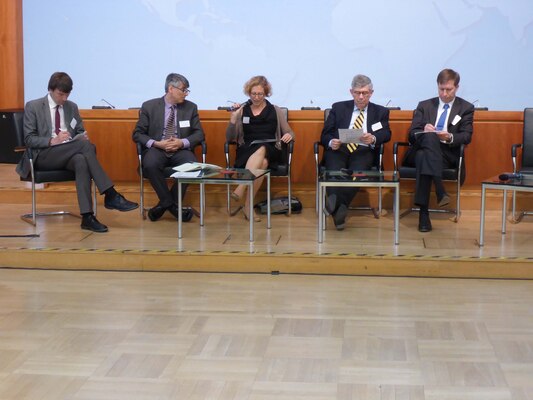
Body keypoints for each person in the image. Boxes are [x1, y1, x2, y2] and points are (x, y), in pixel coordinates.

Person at [16, 72, 138, 233]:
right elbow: (29, 139)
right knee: (86, 148)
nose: (64, 98)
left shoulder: (71, 107)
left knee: (81, 159)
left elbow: (79, 130)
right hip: (44, 154)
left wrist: (80, 136)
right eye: (61, 94)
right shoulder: (34, 106)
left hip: (69, 152)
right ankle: (110, 194)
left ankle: (87, 217)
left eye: (67, 94)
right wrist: (53, 140)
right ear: (51, 90)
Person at [403, 68, 474, 232]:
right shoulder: (425, 105)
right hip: (421, 148)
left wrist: (448, 137)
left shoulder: (465, 108)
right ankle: (439, 189)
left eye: (448, 89)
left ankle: (423, 213)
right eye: (441, 89)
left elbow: (466, 136)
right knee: (428, 137)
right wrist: (426, 130)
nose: (444, 94)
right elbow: (412, 135)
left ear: (457, 87)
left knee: (423, 157)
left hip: (446, 154)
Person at [320, 74, 391, 230]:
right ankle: (339, 207)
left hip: (363, 149)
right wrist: (332, 142)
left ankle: (336, 203)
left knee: (357, 172)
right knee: (334, 170)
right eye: (357, 92)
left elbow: (386, 134)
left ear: (371, 93)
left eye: (364, 93)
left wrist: (373, 138)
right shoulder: (338, 108)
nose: (361, 97)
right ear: (351, 92)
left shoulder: (380, 112)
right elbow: (325, 134)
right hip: (340, 148)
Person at [132, 73, 205, 222]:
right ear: (171, 88)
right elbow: (137, 134)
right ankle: (172, 206)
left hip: (181, 150)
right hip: (157, 148)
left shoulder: (191, 107)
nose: (186, 94)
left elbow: (199, 134)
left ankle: (164, 205)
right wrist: (157, 143)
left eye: (187, 91)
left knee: (193, 166)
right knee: (150, 164)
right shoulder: (149, 106)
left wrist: (181, 142)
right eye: (183, 90)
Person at [226, 75, 295, 222]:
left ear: (266, 93)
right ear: (249, 93)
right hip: (247, 149)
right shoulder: (243, 110)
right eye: (254, 94)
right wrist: (233, 120)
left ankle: (241, 187)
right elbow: (229, 137)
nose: (257, 97)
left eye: (260, 94)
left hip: (271, 147)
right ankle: (248, 207)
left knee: (263, 146)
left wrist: (289, 135)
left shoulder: (275, 110)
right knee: (262, 164)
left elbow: (290, 132)